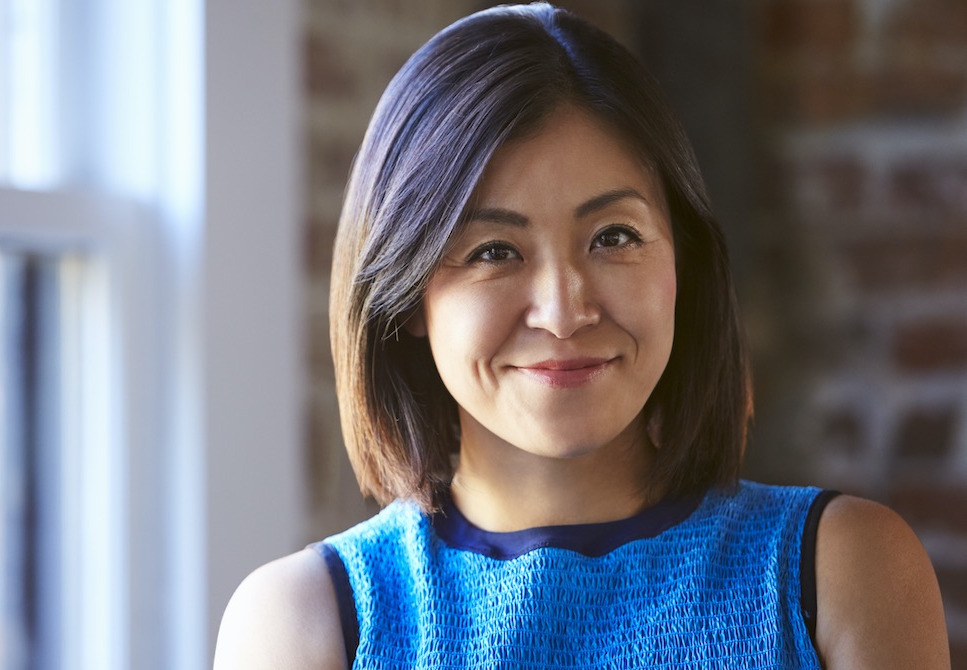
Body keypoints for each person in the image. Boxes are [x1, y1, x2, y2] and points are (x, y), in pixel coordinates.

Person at [214, 3, 950, 668]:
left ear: (682, 264)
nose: (564, 312)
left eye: (614, 236)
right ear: (408, 296)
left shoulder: (842, 576)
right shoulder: (306, 623)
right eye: (494, 252)